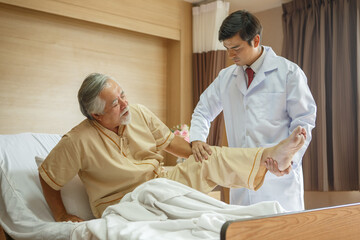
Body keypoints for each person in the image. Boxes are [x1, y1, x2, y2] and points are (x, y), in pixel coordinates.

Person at [38, 73, 306, 222]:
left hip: (160, 181)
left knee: (209, 157)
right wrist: (61, 216)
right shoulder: (77, 141)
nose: (125, 104)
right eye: (115, 104)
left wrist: (199, 149)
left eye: (123, 95)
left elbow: (171, 144)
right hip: (121, 201)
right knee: (164, 190)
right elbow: (48, 177)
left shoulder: (139, 114)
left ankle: (271, 158)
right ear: (96, 116)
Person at [189, 10, 317, 212]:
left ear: (255, 40)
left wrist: (290, 160)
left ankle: (283, 157)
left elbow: (304, 121)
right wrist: (197, 138)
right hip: (242, 177)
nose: (231, 55)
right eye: (227, 48)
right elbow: (202, 110)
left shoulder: (289, 73)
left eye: (236, 48)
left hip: (278, 182)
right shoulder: (226, 78)